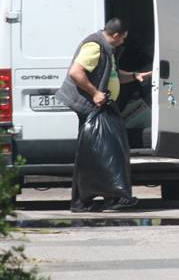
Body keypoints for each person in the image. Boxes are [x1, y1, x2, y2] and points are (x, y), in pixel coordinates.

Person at [58, 18, 150, 212]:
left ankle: (85, 201)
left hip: (101, 108)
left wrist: (134, 76)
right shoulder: (95, 46)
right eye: (123, 38)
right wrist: (95, 93)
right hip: (90, 107)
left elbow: (114, 74)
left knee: (93, 155)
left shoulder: (108, 48)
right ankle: (111, 197)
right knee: (105, 153)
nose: (124, 42)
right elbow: (76, 72)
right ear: (116, 35)